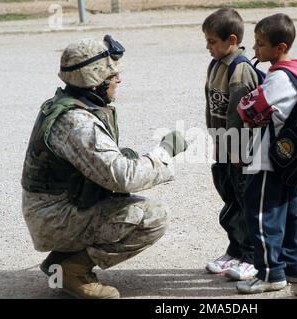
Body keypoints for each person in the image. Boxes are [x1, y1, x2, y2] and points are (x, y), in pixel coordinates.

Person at [21, 35, 187, 299]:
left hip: (54, 208)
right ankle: (73, 271)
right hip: (55, 217)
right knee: (152, 216)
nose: (118, 80)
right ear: (95, 80)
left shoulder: (69, 105)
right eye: (113, 76)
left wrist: (130, 156)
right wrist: (163, 154)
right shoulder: (77, 121)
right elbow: (122, 177)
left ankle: (61, 261)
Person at [235, 13, 297, 294]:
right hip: (289, 159)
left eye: (260, 45)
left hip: (267, 160)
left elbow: (247, 109)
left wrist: (252, 103)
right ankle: (294, 269)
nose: (255, 50)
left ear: (280, 48)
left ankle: (270, 273)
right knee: (291, 215)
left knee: (262, 216)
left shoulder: (280, 77)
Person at [202, 8, 260, 281]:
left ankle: (252, 257)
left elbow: (239, 116)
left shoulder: (240, 70)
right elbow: (212, 109)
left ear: (232, 39)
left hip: (239, 152)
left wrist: (237, 150)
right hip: (223, 148)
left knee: (245, 202)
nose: (208, 47)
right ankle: (235, 251)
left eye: (213, 41)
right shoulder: (216, 65)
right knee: (230, 202)